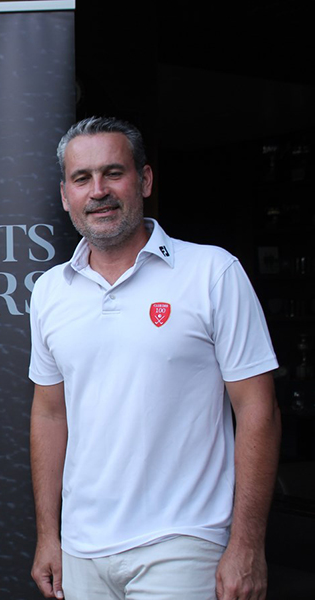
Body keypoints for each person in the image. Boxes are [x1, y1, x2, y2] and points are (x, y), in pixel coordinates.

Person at [28, 117, 281, 600]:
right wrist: (48, 535)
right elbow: (50, 413)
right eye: (82, 178)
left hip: (184, 543)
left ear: (144, 180)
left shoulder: (212, 272)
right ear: (65, 195)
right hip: (81, 551)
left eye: (113, 173)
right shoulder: (49, 291)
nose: (98, 191)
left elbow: (258, 409)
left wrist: (247, 544)